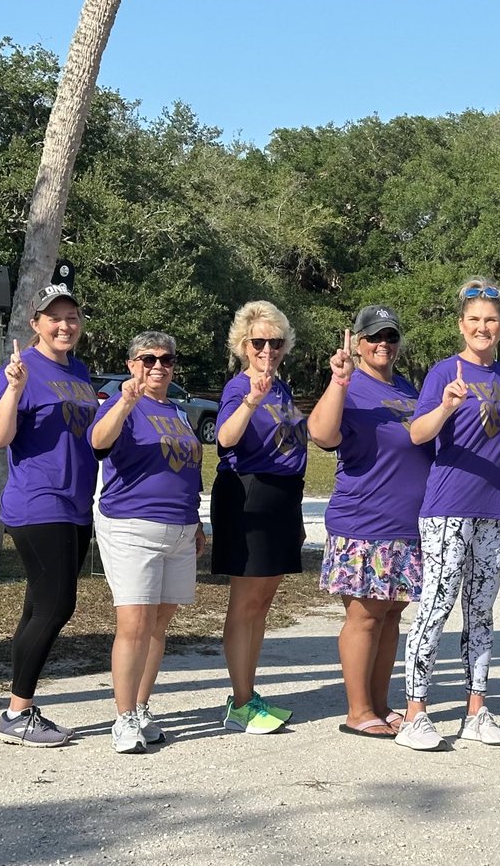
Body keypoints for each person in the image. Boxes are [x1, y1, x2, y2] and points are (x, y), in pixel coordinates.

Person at [394, 278, 500, 752]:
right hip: (449, 507)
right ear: (461, 325)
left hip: (496, 507)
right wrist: (447, 407)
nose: (483, 327)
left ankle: (476, 710)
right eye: (474, 320)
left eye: (491, 320)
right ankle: (415, 714)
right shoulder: (444, 372)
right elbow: (417, 434)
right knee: (437, 606)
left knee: (481, 610)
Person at [307, 306, 433, 739]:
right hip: (364, 522)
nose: (384, 344)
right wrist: (338, 380)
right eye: (374, 337)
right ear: (357, 343)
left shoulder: (405, 387)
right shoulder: (351, 385)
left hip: (407, 523)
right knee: (364, 615)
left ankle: (380, 704)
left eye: (391, 336)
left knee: (392, 615)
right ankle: (358, 710)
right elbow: (322, 434)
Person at [0, 284, 99, 747]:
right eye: (54, 317)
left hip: (76, 504)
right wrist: (12, 391)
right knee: (57, 605)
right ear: (35, 324)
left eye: (72, 316)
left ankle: (19, 707)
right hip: (38, 502)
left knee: (39, 605)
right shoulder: (21, 369)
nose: (64, 324)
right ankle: (17, 711)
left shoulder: (80, 370)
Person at [89, 331, 206, 754]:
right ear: (132, 363)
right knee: (134, 625)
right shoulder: (118, 404)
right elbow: (98, 442)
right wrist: (125, 401)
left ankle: (140, 707)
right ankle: (121, 719)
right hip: (132, 527)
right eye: (148, 359)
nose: (158, 366)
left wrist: (194, 521)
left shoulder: (177, 411)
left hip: (178, 529)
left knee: (158, 625)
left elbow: (189, 470)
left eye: (166, 359)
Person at [211, 300, 307, 735]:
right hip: (248, 494)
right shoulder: (240, 387)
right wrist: (250, 401)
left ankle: (249, 693)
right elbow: (225, 439)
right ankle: (241, 702)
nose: (267, 349)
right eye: (258, 342)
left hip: (282, 499)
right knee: (245, 602)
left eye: (275, 342)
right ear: (243, 346)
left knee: (263, 603)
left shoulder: (282, 389)